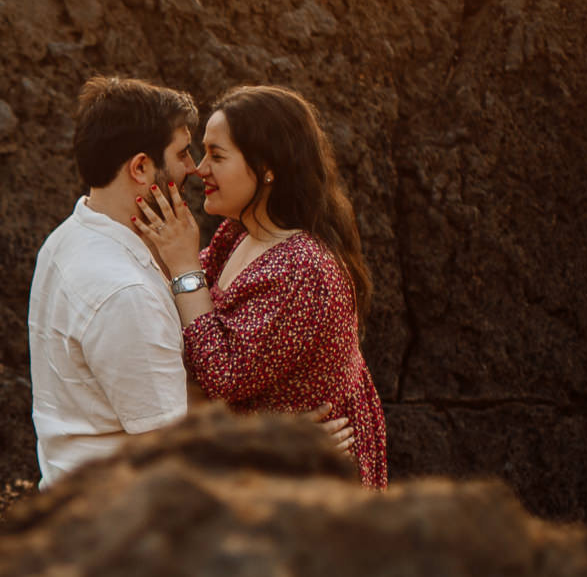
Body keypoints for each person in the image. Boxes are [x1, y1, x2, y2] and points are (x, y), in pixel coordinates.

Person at [133, 84, 389, 488]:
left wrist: (182, 264)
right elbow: (181, 312)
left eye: (217, 156)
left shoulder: (303, 268)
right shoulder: (235, 235)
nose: (200, 170)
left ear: (268, 167)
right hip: (269, 465)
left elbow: (222, 372)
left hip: (309, 487)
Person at [27, 76, 202, 488]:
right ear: (140, 167)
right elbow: (172, 454)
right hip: (120, 532)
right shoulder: (125, 294)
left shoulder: (68, 236)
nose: (193, 167)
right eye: (182, 154)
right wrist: (287, 440)